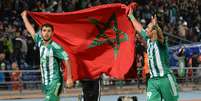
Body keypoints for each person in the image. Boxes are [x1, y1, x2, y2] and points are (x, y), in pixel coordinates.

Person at [128, 8, 179, 101]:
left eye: (148, 27)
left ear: (153, 31)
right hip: (152, 81)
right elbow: (139, 28)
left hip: (165, 79)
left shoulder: (161, 43)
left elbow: (160, 36)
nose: (146, 29)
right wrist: (131, 16)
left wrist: (156, 26)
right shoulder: (148, 41)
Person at [21, 10, 73, 101]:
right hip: (45, 81)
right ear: (41, 33)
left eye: (49, 31)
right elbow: (31, 30)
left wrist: (69, 78)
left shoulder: (55, 47)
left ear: (52, 33)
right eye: (44, 30)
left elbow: (67, 59)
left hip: (55, 81)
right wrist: (24, 17)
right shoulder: (40, 42)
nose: (46, 33)